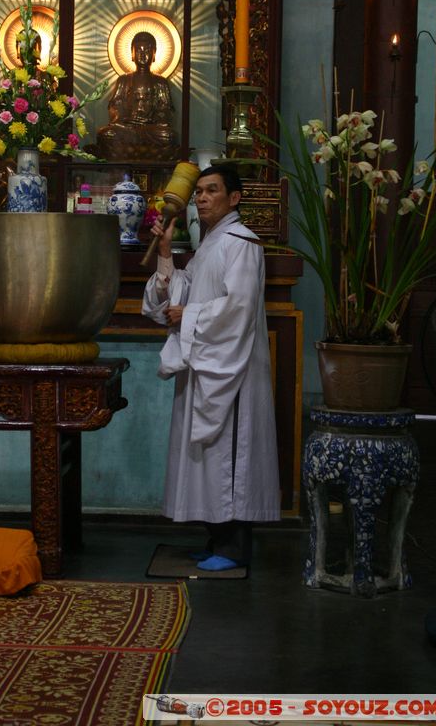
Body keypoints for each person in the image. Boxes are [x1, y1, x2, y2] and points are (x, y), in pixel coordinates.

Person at [142, 164, 280, 571]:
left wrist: (190, 315)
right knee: (208, 456)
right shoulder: (211, 244)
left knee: (231, 453)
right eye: (198, 191)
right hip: (206, 363)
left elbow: (238, 307)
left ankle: (234, 548)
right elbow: (183, 291)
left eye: (212, 190)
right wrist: (166, 255)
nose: (201, 198)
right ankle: (217, 539)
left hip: (231, 367)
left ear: (234, 198)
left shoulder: (242, 243)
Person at [96, 31, 179, 161]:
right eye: (138, 50)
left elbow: (165, 109)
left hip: (149, 129)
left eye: (147, 50)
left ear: (154, 54)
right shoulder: (123, 80)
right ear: (132, 54)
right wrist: (123, 121)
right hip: (127, 128)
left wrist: (155, 119)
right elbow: (115, 105)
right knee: (106, 134)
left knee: (168, 136)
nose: (143, 54)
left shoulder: (160, 82)